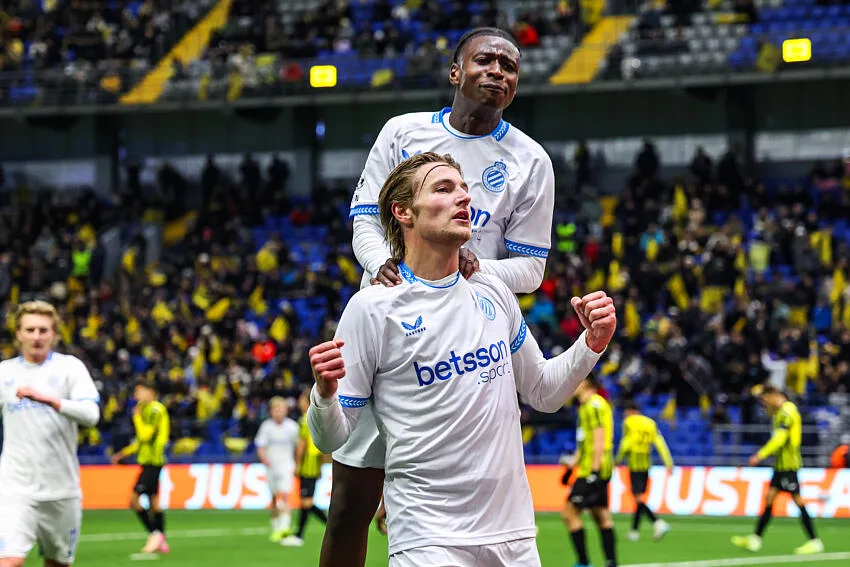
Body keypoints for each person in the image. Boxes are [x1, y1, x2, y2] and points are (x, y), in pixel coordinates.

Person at [308, 152, 615, 566]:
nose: (464, 197)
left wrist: (591, 343)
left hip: (515, 537)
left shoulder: (492, 291)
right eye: (443, 188)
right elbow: (330, 439)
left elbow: (544, 392)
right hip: (428, 540)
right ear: (403, 212)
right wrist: (324, 396)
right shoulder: (372, 309)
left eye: (464, 189)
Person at [333, 26, 556, 566]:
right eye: (486, 61)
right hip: (389, 334)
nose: (498, 72)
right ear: (456, 72)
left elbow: (532, 268)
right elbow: (365, 218)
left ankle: (408, 507)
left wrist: (481, 271)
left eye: (510, 66)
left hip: (463, 344)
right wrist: (381, 265)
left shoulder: (531, 161)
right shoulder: (402, 132)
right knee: (347, 508)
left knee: (452, 495)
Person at [0, 300, 100, 567]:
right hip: (14, 489)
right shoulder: (4, 373)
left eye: (43, 330)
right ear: (18, 334)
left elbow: (91, 415)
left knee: (57, 563)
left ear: (54, 334)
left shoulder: (70, 368)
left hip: (61, 491)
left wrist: (51, 401)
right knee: (9, 561)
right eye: (30, 330)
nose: (36, 336)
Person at [732, 385, 824, 555]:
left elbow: (780, 438)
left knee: (798, 501)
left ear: (772, 395)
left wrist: (760, 455)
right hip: (780, 466)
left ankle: (815, 541)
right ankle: (755, 539)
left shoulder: (787, 411)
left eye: (764, 400)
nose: (763, 404)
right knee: (769, 499)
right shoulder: (779, 412)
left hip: (788, 466)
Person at [561, 377, 617, 567]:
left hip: (594, 469)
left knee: (569, 513)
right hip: (589, 468)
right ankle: (611, 563)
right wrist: (571, 468)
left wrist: (594, 472)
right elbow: (584, 443)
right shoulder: (585, 407)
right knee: (600, 515)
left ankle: (583, 563)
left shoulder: (594, 405)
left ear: (585, 383)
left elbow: (599, 440)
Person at [111, 380, 171, 555]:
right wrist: (123, 453)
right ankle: (160, 539)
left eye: (139, 391)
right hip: (148, 461)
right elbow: (140, 442)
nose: (136, 395)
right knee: (154, 502)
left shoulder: (155, 410)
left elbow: (145, 436)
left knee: (134, 499)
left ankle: (155, 535)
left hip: (153, 461)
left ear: (150, 391)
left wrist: (136, 417)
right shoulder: (147, 409)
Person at [615, 399, 672, 542]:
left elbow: (626, 442)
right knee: (639, 498)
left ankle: (657, 522)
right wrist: (668, 462)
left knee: (638, 498)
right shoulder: (650, 423)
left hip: (634, 464)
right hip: (646, 464)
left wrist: (618, 458)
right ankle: (634, 531)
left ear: (630, 411)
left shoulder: (629, 422)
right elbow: (660, 443)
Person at [280, 390, 328, 547]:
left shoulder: (304, 420)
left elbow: (302, 444)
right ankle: (299, 535)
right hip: (314, 466)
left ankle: (332, 526)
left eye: (301, 399)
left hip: (307, 467)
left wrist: (298, 464)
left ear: (306, 401)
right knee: (305, 503)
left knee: (307, 503)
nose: (299, 402)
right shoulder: (316, 419)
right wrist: (320, 466)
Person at [254, 396, 300, 542]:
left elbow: (298, 447)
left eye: (281, 409)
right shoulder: (266, 427)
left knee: (284, 495)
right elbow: (260, 446)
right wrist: (265, 460)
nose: (279, 412)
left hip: (286, 465)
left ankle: (284, 527)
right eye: (276, 409)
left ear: (286, 410)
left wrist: (297, 463)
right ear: (271, 411)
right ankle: (275, 528)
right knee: (274, 498)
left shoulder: (292, 427)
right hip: (271, 466)